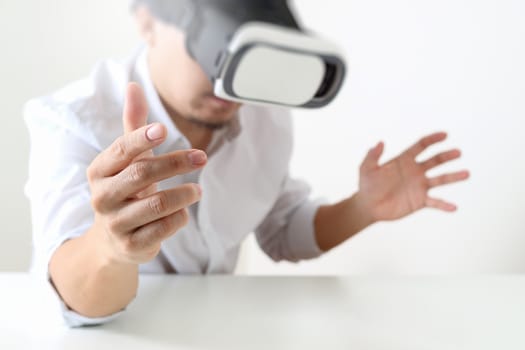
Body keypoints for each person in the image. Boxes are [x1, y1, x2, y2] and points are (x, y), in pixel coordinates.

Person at [24, 3, 470, 327]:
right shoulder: (73, 121)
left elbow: (280, 228)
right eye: (213, 48)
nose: (230, 82)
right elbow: (72, 295)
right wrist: (109, 245)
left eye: (248, 54)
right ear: (146, 19)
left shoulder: (263, 113)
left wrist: (364, 208)